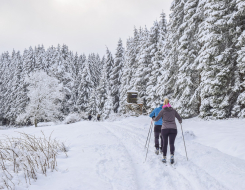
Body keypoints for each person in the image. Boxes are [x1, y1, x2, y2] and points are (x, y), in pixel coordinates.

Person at [153, 98, 182, 164]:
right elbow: (179, 118)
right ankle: (172, 156)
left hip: (165, 129)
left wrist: (153, 118)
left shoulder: (163, 111)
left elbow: (157, 119)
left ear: (164, 104)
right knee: (171, 143)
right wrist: (180, 121)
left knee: (165, 144)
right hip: (173, 129)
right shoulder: (173, 110)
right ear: (169, 103)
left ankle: (164, 157)